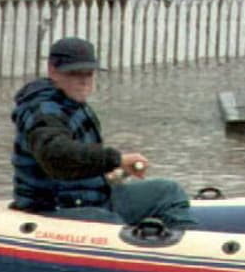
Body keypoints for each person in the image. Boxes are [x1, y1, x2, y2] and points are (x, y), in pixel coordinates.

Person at [11, 37, 196, 228]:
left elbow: (80, 163)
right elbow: (57, 156)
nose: (84, 81)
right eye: (74, 73)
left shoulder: (72, 102)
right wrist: (116, 160)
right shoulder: (42, 111)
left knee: (168, 191)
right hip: (53, 207)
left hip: (89, 198)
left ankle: (187, 246)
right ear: (53, 71)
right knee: (111, 226)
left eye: (89, 73)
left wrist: (111, 174)